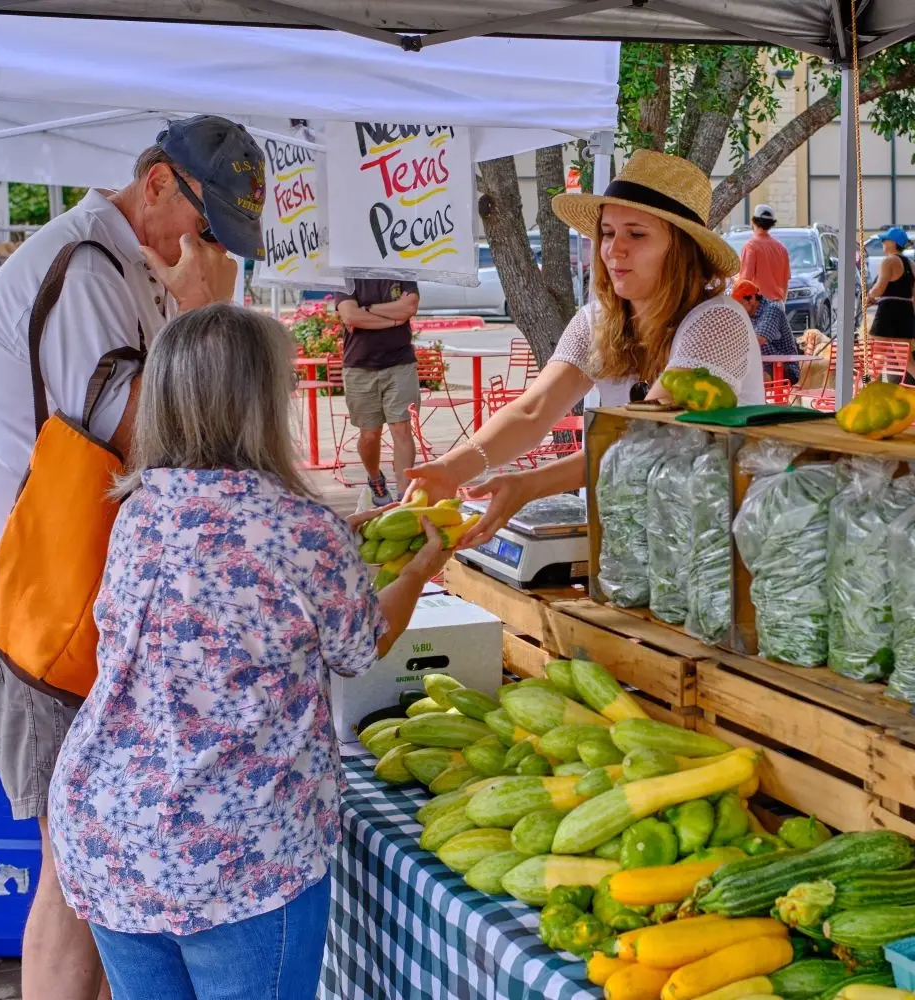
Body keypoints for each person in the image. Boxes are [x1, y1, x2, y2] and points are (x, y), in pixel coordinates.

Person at [0, 114, 266, 1000]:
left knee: (94, 859)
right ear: (157, 183)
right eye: (205, 228)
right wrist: (210, 320)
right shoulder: (85, 269)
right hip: (31, 605)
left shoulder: (130, 265)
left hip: (78, 597)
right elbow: (158, 438)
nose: (206, 251)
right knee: (76, 866)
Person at [48, 304, 451, 1000]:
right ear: (262, 402)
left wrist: (334, 547)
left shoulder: (140, 507)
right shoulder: (301, 528)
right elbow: (360, 644)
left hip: (110, 829)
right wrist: (414, 572)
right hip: (237, 849)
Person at [406, 149, 764, 547]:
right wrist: (449, 469)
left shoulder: (718, 319)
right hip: (627, 535)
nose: (614, 249)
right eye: (608, 233)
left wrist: (530, 484)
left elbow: (645, 438)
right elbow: (533, 411)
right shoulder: (597, 319)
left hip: (709, 539)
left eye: (636, 233)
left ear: (681, 249)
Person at [336, 278, 421, 506]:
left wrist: (368, 310)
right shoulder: (347, 276)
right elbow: (350, 316)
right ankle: (375, 479)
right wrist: (394, 320)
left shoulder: (400, 271)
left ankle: (404, 497)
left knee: (401, 427)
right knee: (369, 434)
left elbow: (409, 307)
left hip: (400, 363)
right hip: (360, 366)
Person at [867, 226, 915, 384]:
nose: (882, 242)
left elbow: (880, 287)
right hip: (905, 315)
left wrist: (869, 296)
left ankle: (868, 393)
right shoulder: (911, 265)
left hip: (887, 315)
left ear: (893, 243)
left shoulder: (888, 261)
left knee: (875, 360)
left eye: (885, 239)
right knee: (908, 362)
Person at [732, 278, 801, 383]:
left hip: (784, 366)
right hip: (760, 365)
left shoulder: (773, 309)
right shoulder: (747, 313)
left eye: (740, 305)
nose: (738, 309)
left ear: (751, 299)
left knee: (754, 380)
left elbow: (759, 340)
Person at [739, 204, 791, 309]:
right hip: (778, 304)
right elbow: (785, 283)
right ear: (771, 224)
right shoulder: (781, 248)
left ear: (753, 222)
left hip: (758, 306)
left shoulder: (751, 246)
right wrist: (782, 303)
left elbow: (745, 281)